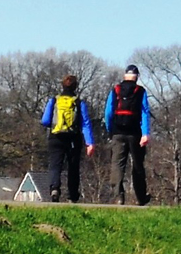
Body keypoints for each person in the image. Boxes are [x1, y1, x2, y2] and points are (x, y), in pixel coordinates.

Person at [40, 75, 96, 203]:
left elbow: (45, 120)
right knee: (73, 167)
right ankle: (72, 195)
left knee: (55, 165)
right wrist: (90, 143)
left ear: (62, 86)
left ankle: (54, 189)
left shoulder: (54, 100)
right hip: (73, 138)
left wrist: (54, 124)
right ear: (76, 87)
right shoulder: (79, 102)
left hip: (55, 137)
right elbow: (85, 124)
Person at [102, 64, 152, 206]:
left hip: (118, 132)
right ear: (137, 77)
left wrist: (110, 129)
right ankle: (141, 197)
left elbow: (108, 112)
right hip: (135, 133)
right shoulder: (140, 91)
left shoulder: (116, 90)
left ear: (125, 75)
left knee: (117, 164)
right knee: (137, 165)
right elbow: (144, 113)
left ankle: (119, 196)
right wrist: (145, 133)